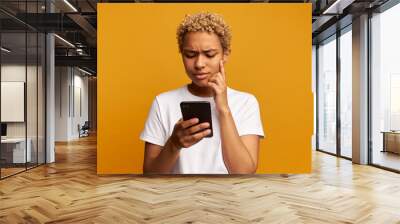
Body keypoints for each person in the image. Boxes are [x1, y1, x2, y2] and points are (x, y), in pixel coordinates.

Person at [140, 12, 264, 174]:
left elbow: (244, 172)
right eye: (190, 55)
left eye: (209, 54)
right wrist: (174, 144)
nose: (199, 64)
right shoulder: (162, 102)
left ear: (225, 55)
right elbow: (150, 174)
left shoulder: (246, 102)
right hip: (176, 197)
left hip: (228, 197)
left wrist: (223, 109)